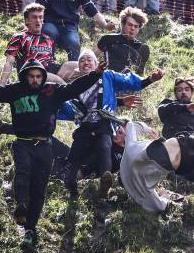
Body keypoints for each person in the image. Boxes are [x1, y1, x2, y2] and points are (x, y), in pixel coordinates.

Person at [0, 58, 105, 247]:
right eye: (31, 76)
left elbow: (75, 87)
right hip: (23, 142)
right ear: (25, 76)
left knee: (39, 189)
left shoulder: (51, 91)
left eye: (38, 76)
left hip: (45, 146)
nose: (34, 80)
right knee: (23, 170)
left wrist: (96, 74)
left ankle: (30, 230)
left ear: (43, 76)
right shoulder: (15, 91)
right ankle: (21, 206)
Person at [65, 49, 164, 198]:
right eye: (82, 60)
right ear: (78, 66)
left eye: (89, 59)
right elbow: (72, 107)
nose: (86, 62)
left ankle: (106, 179)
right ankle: (72, 187)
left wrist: (150, 79)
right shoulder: (75, 85)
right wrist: (120, 102)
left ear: (97, 63)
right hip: (85, 126)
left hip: (103, 123)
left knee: (105, 145)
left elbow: (129, 82)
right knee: (74, 157)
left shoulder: (108, 76)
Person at [120, 121, 194, 213]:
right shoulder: (143, 191)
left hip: (151, 161)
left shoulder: (131, 148)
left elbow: (130, 125)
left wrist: (146, 128)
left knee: (188, 150)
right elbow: (161, 206)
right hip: (154, 170)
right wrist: (164, 195)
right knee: (190, 160)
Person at [0, 3, 77, 85]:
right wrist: (2, 85)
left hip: (51, 70)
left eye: (40, 17)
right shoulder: (19, 37)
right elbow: (9, 62)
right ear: (27, 20)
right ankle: (68, 92)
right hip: (32, 72)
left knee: (78, 66)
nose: (38, 20)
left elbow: (51, 61)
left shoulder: (48, 39)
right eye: (34, 17)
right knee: (60, 83)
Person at [158, 76, 194, 141]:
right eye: (179, 90)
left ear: (192, 92)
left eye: (187, 89)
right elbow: (162, 109)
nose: (183, 92)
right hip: (173, 142)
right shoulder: (169, 104)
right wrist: (186, 107)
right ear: (175, 93)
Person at [95, 6, 149, 75]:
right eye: (130, 25)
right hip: (109, 79)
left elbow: (140, 74)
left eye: (136, 26)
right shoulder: (108, 39)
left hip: (129, 83)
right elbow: (90, 56)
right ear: (122, 24)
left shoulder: (142, 47)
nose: (132, 28)